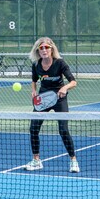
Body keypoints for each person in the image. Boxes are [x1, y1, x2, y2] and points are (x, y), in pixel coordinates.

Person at [24, 37, 79, 173]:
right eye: (41, 48)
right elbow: (34, 80)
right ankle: (36, 160)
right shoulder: (36, 65)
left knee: (63, 130)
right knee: (34, 128)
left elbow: (73, 82)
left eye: (46, 47)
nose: (44, 50)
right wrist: (33, 91)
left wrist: (64, 88)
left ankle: (73, 161)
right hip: (43, 99)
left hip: (60, 98)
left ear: (51, 49)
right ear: (38, 51)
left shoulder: (60, 63)